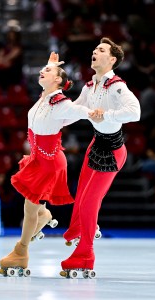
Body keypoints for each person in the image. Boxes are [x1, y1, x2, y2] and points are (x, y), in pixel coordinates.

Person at [0, 55, 99, 276]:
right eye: (43, 69)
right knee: (32, 206)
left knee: (28, 206)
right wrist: (52, 63)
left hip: (49, 162)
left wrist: (93, 113)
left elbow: (78, 111)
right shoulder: (45, 98)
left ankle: (21, 251)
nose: (42, 71)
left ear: (57, 81)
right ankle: (42, 217)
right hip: (39, 158)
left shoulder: (59, 103)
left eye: (48, 71)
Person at [50, 37, 141, 277]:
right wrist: (53, 122)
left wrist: (108, 116)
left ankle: (85, 254)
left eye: (100, 50)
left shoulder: (117, 86)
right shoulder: (90, 87)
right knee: (81, 197)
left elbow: (135, 112)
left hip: (112, 152)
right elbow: (74, 112)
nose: (94, 52)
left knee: (90, 201)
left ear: (111, 60)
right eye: (94, 49)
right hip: (95, 146)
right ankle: (83, 228)